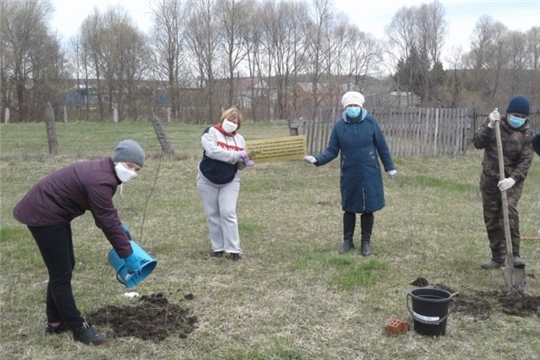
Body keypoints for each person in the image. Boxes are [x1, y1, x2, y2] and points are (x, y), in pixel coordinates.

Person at [13, 139, 146, 345]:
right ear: (117, 160)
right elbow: (106, 221)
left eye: (137, 169)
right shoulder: (101, 180)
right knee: (61, 273)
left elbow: (106, 213)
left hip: (53, 212)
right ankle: (78, 327)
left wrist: (119, 228)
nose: (132, 172)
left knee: (64, 268)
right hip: (44, 214)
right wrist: (127, 254)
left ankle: (56, 322)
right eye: (129, 166)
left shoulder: (103, 173)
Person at [304, 91, 397, 256]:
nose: (352, 108)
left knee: (368, 208)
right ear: (345, 108)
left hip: (370, 171)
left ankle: (365, 242)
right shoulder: (339, 127)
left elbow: (382, 146)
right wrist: (317, 159)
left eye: (355, 106)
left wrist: (389, 167)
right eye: (349, 106)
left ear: (360, 106)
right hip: (350, 172)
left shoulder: (371, 122)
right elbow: (332, 151)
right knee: (349, 207)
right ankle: (348, 241)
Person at [472, 95, 535, 269]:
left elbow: (525, 161)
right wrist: (490, 126)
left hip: (512, 180)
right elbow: (478, 142)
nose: (518, 120)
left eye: (522, 117)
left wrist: (512, 179)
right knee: (491, 217)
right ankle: (497, 257)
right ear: (508, 113)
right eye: (516, 115)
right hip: (491, 178)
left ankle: (514, 255)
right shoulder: (495, 124)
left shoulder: (527, 135)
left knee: (509, 211)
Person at [197, 107, 254, 261]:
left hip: (230, 180)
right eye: (229, 120)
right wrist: (237, 155)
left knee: (228, 212)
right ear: (223, 119)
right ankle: (218, 248)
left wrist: (245, 162)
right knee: (213, 214)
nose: (231, 124)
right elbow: (213, 152)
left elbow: (239, 165)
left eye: (235, 122)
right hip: (207, 179)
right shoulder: (210, 132)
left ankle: (234, 250)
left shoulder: (240, 139)